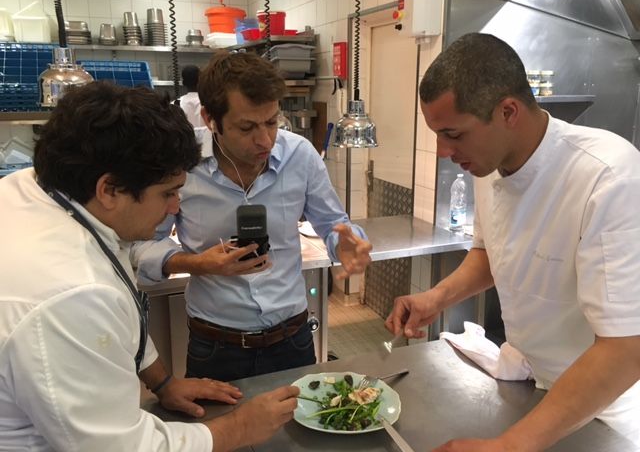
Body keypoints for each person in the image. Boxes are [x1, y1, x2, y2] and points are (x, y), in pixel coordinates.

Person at [0, 81, 298, 452]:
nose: (175, 208)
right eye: (168, 193)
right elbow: (123, 448)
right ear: (109, 190)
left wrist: (162, 383)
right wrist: (240, 428)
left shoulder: (36, 187)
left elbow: (120, 297)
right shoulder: (69, 294)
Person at [385, 32, 640, 450]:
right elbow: (493, 252)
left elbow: (627, 346)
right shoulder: (489, 165)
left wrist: (510, 446)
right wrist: (437, 297)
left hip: (602, 412)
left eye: (454, 134)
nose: (443, 151)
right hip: (529, 388)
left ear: (508, 111)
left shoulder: (608, 176)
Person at [132, 50, 372, 382]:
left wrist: (346, 244)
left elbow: (334, 225)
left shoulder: (299, 156)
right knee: (220, 433)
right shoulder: (181, 163)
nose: (265, 140)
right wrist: (196, 263)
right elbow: (139, 246)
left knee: (300, 432)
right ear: (209, 118)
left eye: (272, 122)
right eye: (247, 127)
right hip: (215, 346)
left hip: (293, 340)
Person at [176, 64, 205, 128]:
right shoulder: (208, 103)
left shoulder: (176, 104)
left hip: (185, 138)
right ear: (201, 81)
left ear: (183, 83)